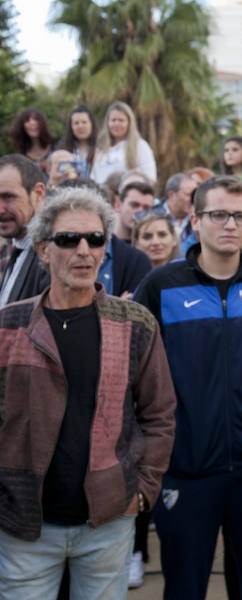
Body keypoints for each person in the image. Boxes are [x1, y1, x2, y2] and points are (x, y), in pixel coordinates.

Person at [133, 175, 242, 600]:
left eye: (238, 214)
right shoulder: (162, 285)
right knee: (185, 586)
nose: (229, 224)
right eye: (218, 215)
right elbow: (131, 360)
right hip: (186, 464)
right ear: (194, 220)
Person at [0, 186, 176, 599]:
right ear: (43, 250)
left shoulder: (136, 324)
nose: (83, 250)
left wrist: (143, 491)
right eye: (68, 239)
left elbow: (160, 415)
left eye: (95, 239)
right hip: (24, 521)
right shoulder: (8, 326)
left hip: (108, 520)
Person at [0, 154, 50, 307]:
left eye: (8, 197)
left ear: (39, 194)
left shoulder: (54, 255)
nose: (0, 209)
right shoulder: (18, 247)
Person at [90, 101, 157, 186]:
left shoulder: (140, 146)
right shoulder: (101, 148)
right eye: (113, 120)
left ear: (129, 123)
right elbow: (94, 178)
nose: (116, 124)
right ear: (107, 123)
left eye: (121, 120)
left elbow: (150, 179)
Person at [8, 108, 54, 173]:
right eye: (27, 120)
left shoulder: (57, 146)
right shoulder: (21, 158)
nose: (32, 123)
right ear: (21, 127)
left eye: (36, 119)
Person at [57, 105, 97, 178]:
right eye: (76, 123)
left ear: (92, 124)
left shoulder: (101, 148)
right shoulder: (64, 150)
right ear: (71, 127)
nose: (80, 126)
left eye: (84, 122)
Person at [162, 172, 197, 248]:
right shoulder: (153, 216)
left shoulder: (198, 218)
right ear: (171, 195)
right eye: (188, 195)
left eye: (195, 195)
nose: (193, 199)